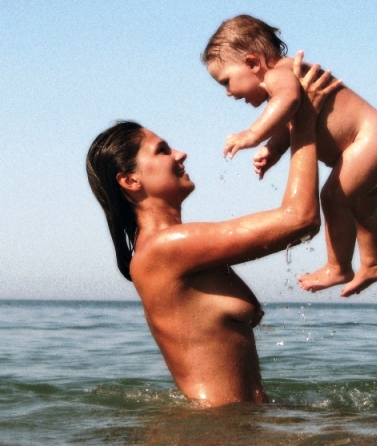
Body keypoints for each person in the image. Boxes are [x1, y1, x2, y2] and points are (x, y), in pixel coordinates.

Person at [86, 55, 341, 407]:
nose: (181, 154)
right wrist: (304, 121)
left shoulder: (181, 249)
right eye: (162, 151)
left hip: (237, 425)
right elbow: (301, 219)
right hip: (216, 430)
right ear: (130, 181)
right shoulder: (165, 248)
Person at [202, 14, 377, 297]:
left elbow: (288, 101)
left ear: (252, 63)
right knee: (365, 210)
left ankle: (338, 267)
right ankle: (373, 264)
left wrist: (252, 134)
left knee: (333, 199)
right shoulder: (288, 78)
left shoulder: (279, 74)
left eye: (226, 81)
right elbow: (292, 118)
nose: (227, 93)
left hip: (370, 140)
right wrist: (273, 150)